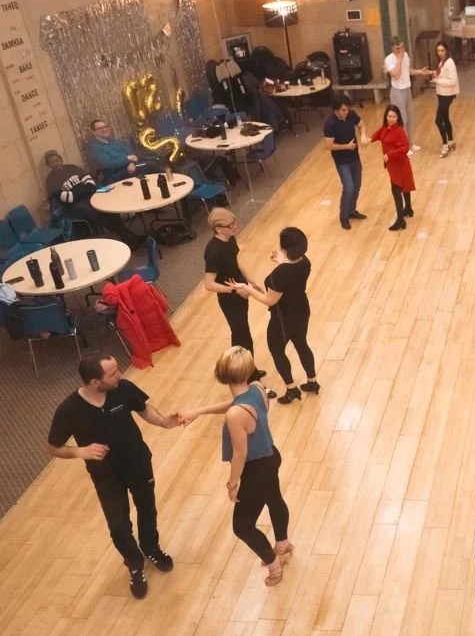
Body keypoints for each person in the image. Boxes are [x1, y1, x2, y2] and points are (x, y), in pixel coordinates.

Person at [47, 353, 179, 599]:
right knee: (118, 526)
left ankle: (151, 548)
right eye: (112, 373)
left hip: (138, 464)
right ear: (95, 382)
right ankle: (135, 565)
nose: (119, 375)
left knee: (147, 509)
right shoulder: (69, 410)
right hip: (106, 477)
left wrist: (162, 421)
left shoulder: (123, 388)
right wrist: (79, 451)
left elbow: (143, 409)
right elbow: (53, 447)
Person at [179, 347, 294, 586]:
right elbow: (235, 402)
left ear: (220, 374)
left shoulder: (235, 416)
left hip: (256, 469)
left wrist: (233, 484)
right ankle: (283, 544)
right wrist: (199, 411)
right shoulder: (258, 388)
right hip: (271, 455)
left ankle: (274, 564)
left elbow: (240, 454)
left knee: (242, 526)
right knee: (274, 499)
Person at [229, 227, 319, 404]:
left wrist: (247, 288)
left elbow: (270, 300)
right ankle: (312, 381)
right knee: (301, 344)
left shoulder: (280, 274)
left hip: (283, 318)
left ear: (285, 248)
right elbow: (291, 273)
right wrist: (282, 260)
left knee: (277, 351)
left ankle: (291, 389)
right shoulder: (305, 262)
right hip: (302, 310)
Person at [203, 207, 273, 389]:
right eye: (231, 225)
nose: (235, 227)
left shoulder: (230, 239)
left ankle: (248, 371)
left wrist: (250, 282)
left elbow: (235, 263)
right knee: (242, 338)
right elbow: (209, 284)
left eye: (235, 223)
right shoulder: (213, 251)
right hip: (230, 299)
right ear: (218, 228)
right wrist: (235, 290)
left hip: (241, 291)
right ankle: (247, 377)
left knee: (244, 335)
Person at [44, 150, 139, 245]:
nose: (55, 164)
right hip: (74, 206)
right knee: (98, 213)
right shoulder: (51, 180)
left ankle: (128, 236)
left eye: (57, 160)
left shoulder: (72, 168)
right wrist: (83, 188)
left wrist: (77, 191)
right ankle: (127, 238)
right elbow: (68, 199)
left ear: (61, 160)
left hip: (91, 195)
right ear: (48, 165)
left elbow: (90, 183)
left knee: (108, 207)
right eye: (52, 162)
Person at [362, 105, 416, 231]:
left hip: (399, 164)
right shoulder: (385, 127)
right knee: (404, 186)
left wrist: (389, 154)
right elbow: (379, 134)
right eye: (389, 116)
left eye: (394, 117)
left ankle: (401, 220)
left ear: (398, 117)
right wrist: (370, 139)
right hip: (393, 164)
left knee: (396, 190)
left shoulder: (399, 131)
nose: (391, 119)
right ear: (386, 116)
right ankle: (408, 209)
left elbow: (405, 147)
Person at [324, 94, 367, 230]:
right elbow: (328, 145)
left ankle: (352, 210)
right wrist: (346, 147)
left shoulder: (351, 115)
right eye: (343, 110)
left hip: (354, 157)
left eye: (347, 109)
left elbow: (361, 124)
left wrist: (363, 135)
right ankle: (343, 216)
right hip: (342, 161)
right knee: (348, 187)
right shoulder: (330, 124)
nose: (346, 112)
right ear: (336, 110)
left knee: (357, 185)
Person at [383, 36, 431, 154]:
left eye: (401, 47)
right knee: (401, 119)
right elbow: (396, 75)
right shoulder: (389, 59)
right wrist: (399, 59)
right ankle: (403, 147)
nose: (400, 50)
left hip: (407, 89)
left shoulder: (406, 55)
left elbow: (408, 71)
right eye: (397, 48)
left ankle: (410, 143)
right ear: (392, 48)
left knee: (410, 118)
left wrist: (420, 72)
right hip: (397, 91)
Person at [86, 119, 161, 183]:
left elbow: (132, 154)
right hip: (115, 174)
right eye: (100, 128)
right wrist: (127, 159)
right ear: (93, 132)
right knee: (151, 166)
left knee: (154, 163)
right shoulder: (95, 148)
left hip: (130, 167)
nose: (104, 129)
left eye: (105, 127)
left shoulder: (114, 141)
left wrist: (131, 163)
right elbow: (108, 164)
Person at [429, 41, 460, 157]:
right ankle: (451, 141)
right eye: (438, 50)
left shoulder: (450, 63)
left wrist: (437, 80)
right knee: (445, 118)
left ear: (446, 50)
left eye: (442, 50)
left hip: (447, 95)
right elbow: (441, 74)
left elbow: (452, 81)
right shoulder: (442, 61)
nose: (440, 53)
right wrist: (432, 73)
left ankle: (445, 145)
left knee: (438, 120)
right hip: (442, 94)